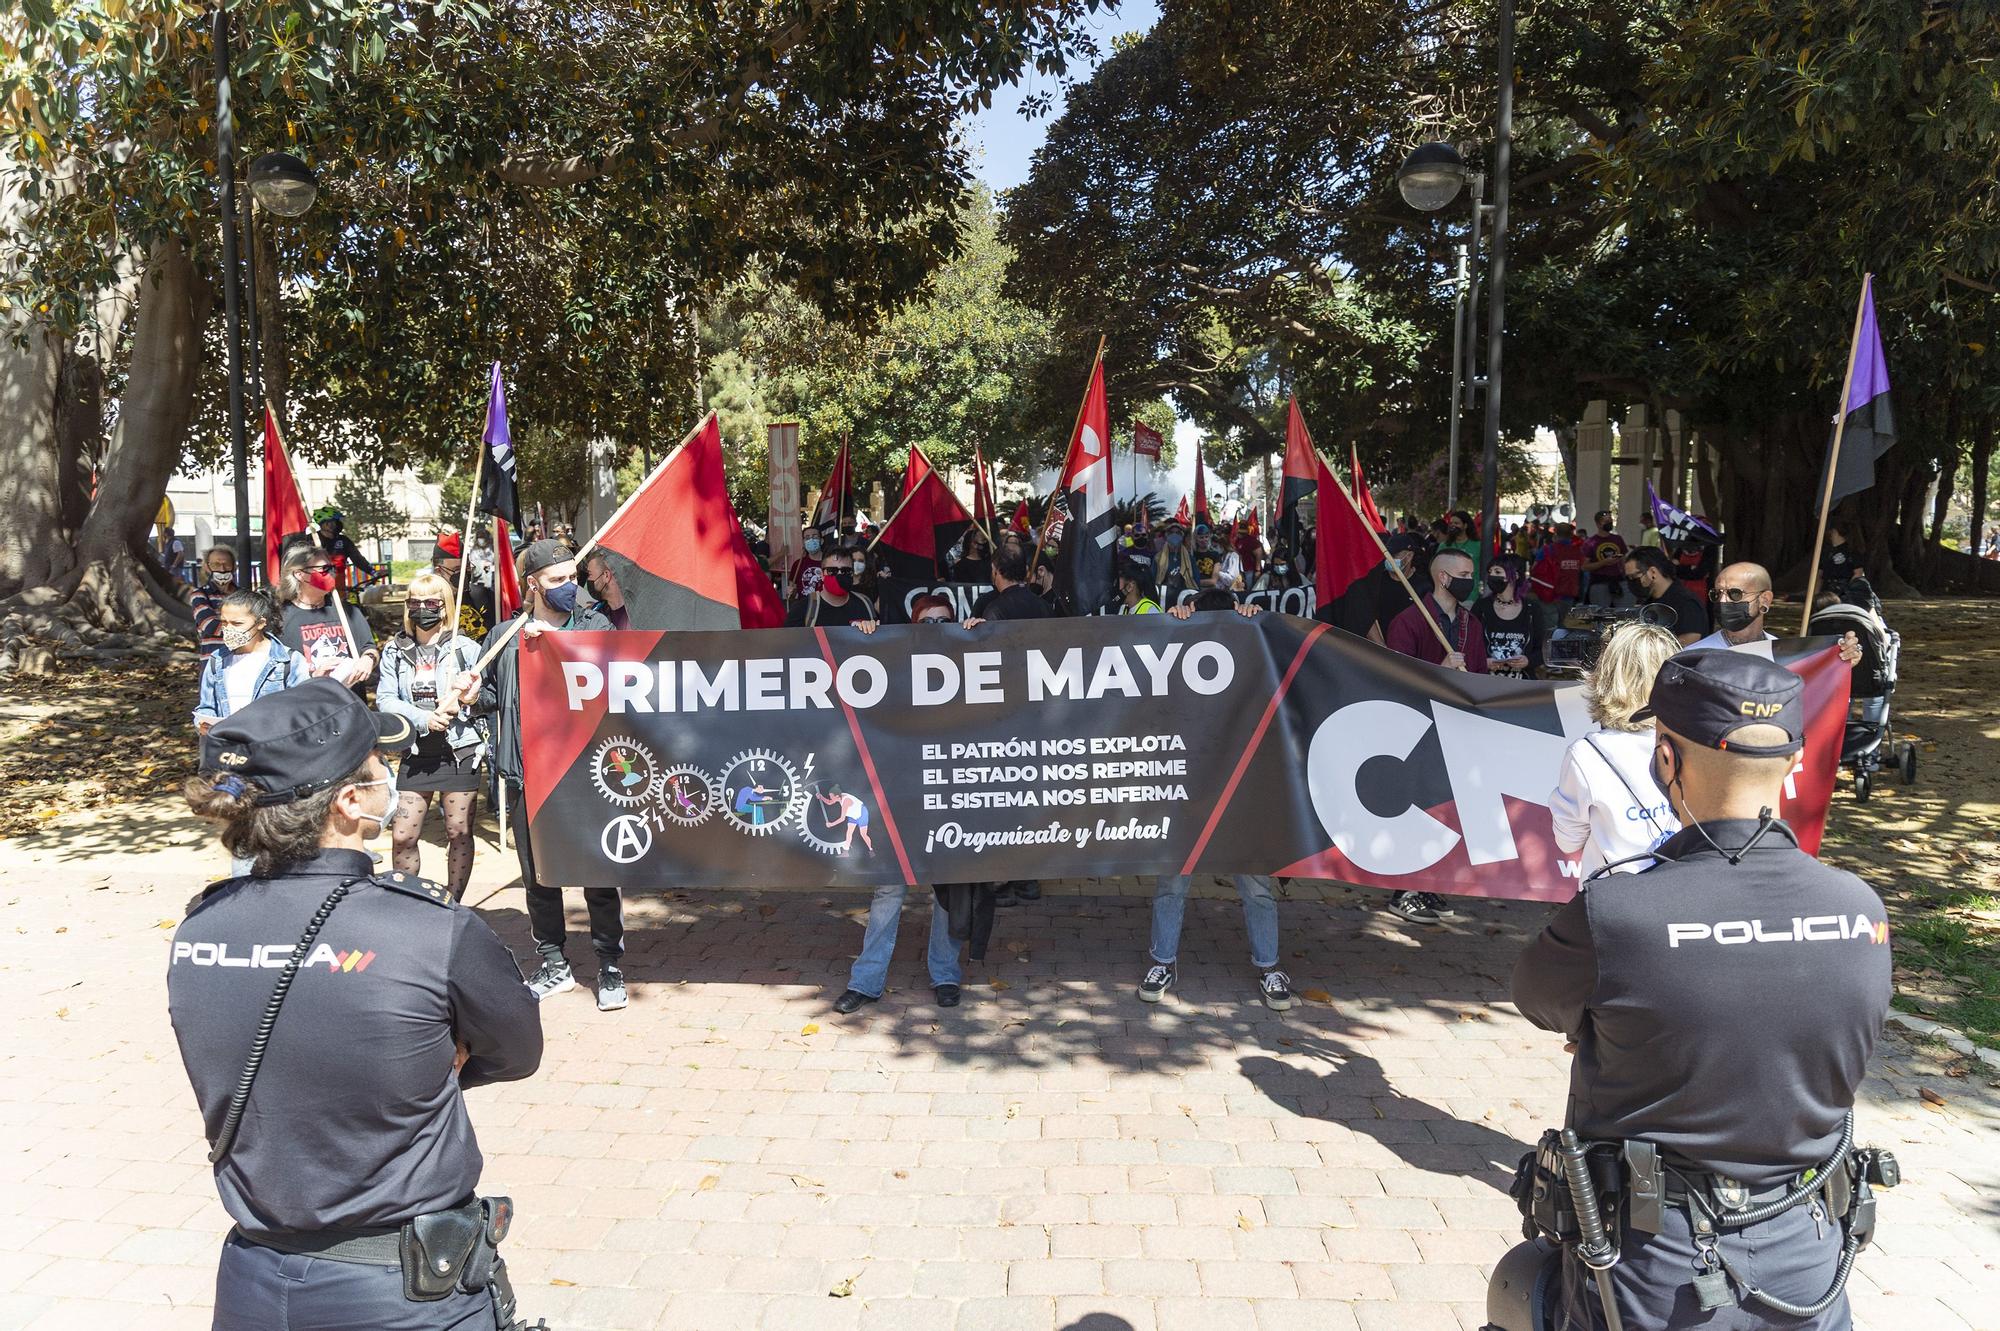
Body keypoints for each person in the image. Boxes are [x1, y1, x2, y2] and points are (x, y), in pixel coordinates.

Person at [1512, 650, 1890, 1331]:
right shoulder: (1863, 910)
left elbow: (1537, 997)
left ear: (1665, 758)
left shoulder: (1616, 914)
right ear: (1796, 763)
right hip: (1809, 1259)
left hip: (1650, 1270)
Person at [171, 679, 543, 1331]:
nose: (391, 778)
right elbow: (517, 1050)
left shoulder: (197, 931)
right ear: (348, 801)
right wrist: (427, 1062)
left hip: (252, 1282)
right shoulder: (433, 931)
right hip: (404, 1296)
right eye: (379, 766)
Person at [469, 539, 627, 1010]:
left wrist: (558, 647)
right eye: (557, 581)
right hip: (527, 773)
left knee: (598, 871)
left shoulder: (595, 625)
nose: (568, 587)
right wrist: (467, 690)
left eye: (572, 578)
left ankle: (610, 964)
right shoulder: (504, 635)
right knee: (538, 876)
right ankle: (553, 962)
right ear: (533, 584)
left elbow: (621, 678)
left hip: (587, 772)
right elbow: (489, 697)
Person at [1150, 590, 1294, 1009]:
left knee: (1255, 886)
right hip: (1190, 790)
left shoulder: (1254, 648)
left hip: (1238, 792)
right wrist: (1171, 625)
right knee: (1172, 881)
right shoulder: (1177, 649)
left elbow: (1284, 665)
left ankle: (1269, 967)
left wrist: (1257, 623)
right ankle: (1163, 960)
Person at [832, 595, 971, 1014]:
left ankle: (945, 973)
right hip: (900, 793)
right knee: (888, 888)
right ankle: (866, 980)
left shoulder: (969, 659)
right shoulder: (893, 662)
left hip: (948, 790)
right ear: (910, 626)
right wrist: (862, 639)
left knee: (946, 889)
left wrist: (984, 636)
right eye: (924, 622)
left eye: (942, 621)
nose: (934, 628)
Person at [379, 574, 486, 902]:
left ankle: (452, 903)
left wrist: (470, 696)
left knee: (458, 832)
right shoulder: (396, 651)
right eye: (415, 602)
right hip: (416, 751)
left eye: (431, 602)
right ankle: (410, 902)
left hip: (459, 751)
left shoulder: (466, 648)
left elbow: (483, 697)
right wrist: (424, 718)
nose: (422, 609)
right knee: (403, 835)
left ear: (445, 606)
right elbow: (385, 698)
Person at [1548, 623, 1682, 877]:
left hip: (1613, 896)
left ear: (1607, 674)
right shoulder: (1696, 740)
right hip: (1684, 887)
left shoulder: (1586, 755)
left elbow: (1568, 841)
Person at [963, 541, 1052, 906]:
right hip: (1040, 716)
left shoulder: (994, 611)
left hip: (1004, 719)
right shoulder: (1044, 608)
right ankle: (1028, 878)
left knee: (1003, 801)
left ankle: (1003, 881)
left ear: (994, 572)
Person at [1687, 562, 1863, 666]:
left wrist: (1842, 662)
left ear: (1765, 599)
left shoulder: (1786, 655)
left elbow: (1817, 699)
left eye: (1735, 594)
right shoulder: (1694, 657)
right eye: (1717, 594)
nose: (1723, 601)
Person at [194, 589, 307, 734]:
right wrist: (203, 723)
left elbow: (303, 709)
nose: (228, 629)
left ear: (260, 623)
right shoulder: (217, 660)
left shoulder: (289, 661)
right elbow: (207, 706)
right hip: (230, 747)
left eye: (237, 623)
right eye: (224, 623)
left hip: (273, 747)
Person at [274, 544, 378, 687]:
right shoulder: (280, 619)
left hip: (350, 701)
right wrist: (313, 677)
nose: (331, 574)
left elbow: (369, 647)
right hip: (308, 703)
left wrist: (368, 659)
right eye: (324, 569)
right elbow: (278, 673)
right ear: (299, 574)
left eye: (332, 568)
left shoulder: (347, 611)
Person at [1386, 549, 1489, 673]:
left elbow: (1481, 672)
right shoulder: (1408, 622)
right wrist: (1442, 669)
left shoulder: (1472, 624)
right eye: (1463, 575)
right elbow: (1398, 675)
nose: (1470, 580)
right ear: (1443, 577)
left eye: (1471, 575)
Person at [1474, 557, 1544, 678]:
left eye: (1497, 572)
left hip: (1522, 683)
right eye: (1490, 572)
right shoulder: (1481, 607)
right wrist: (1482, 662)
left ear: (1515, 575)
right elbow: (1469, 643)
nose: (1492, 576)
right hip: (1487, 681)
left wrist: (1528, 661)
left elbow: (1542, 649)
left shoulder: (1532, 609)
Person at [786, 544, 876, 627]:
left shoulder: (864, 604)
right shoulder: (803, 609)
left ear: (852, 573)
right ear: (822, 575)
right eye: (832, 571)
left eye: (845, 571)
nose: (839, 575)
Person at [432, 530, 498, 641]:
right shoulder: (428, 602)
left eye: (466, 568)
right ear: (439, 571)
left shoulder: (483, 596)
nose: (464, 573)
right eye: (457, 569)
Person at [191, 546, 240, 658]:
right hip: (212, 661)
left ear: (234, 567)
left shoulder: (244, 595)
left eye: (226, 564)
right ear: (207, 567)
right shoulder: (200, 594)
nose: (222, 569)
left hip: (241, 660)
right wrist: (246, 630)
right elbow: (209, 625)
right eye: (216, 565)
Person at [312, 506, 377, 588]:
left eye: (335, 522)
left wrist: (373, 572)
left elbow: (357, 558)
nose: (334, 525)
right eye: (331, 522)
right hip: (316, 583)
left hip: (339, 583)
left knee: (345, 599)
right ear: (324, 524)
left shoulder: (343, 540)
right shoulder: (312, 539)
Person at [1583, 510, 1631, 607]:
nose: (1609, 523)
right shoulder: (1590, 542)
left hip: (1619, 581)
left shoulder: (1618, 539)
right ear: (1598, 524)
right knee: (1601, 614)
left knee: (1622, 613)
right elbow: (1584, 566)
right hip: (1599, 582)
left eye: (1610, 520)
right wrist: (1604, 562)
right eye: (1606, 521)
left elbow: (1623, 560)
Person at [580, 549, 630, 629]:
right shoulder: (595, 613)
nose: (588, 580)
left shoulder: (634, 615)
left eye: (590, 574)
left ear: (606, 576)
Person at [1819, 521, 1864, 602]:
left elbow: (1858, 573)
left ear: (1835, 532)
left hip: (1844, 589)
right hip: (1827, 590)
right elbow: (1820, 575)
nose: (1830, 535)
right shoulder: (1826, 552)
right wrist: (1815, 594)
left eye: (1831, 532)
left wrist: (1847, 591)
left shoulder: (1851, 551)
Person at [1154, 520, 1197, 600]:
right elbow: (1152, 580)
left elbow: (1195, 580)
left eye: (1178, 533)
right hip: (1163, 599)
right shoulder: (1158, 558)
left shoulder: (1189, 558)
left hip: (1183, 599)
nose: (1174, 535)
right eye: (1171, 533)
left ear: (1182, 536)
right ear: (1166, 536)